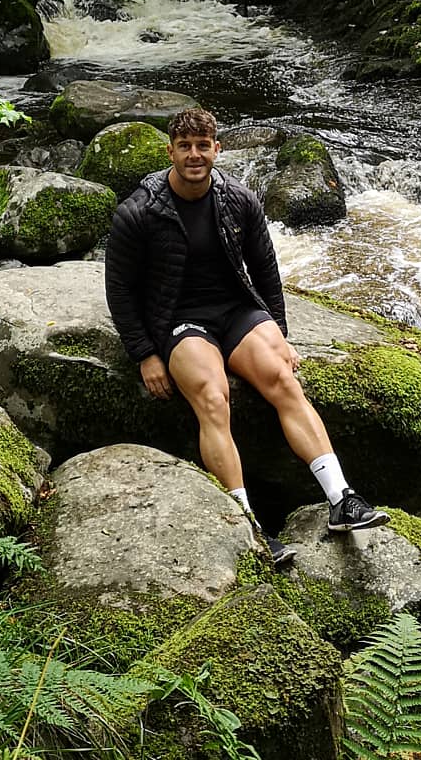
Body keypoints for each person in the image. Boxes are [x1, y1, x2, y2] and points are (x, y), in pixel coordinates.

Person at [104, 107, 388, 566]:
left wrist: (279, 331)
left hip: (235, 309)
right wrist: (144, 353)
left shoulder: (239, 200)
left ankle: (342, 499)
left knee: (282, 379)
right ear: (170, 151)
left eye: (203, 146)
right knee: (214, 398)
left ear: (217, 149)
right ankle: (250, 525)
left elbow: (266, 272)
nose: (194, 155)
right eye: (185, 147)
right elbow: (118, 289)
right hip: (180, 320)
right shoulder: (138, 212)